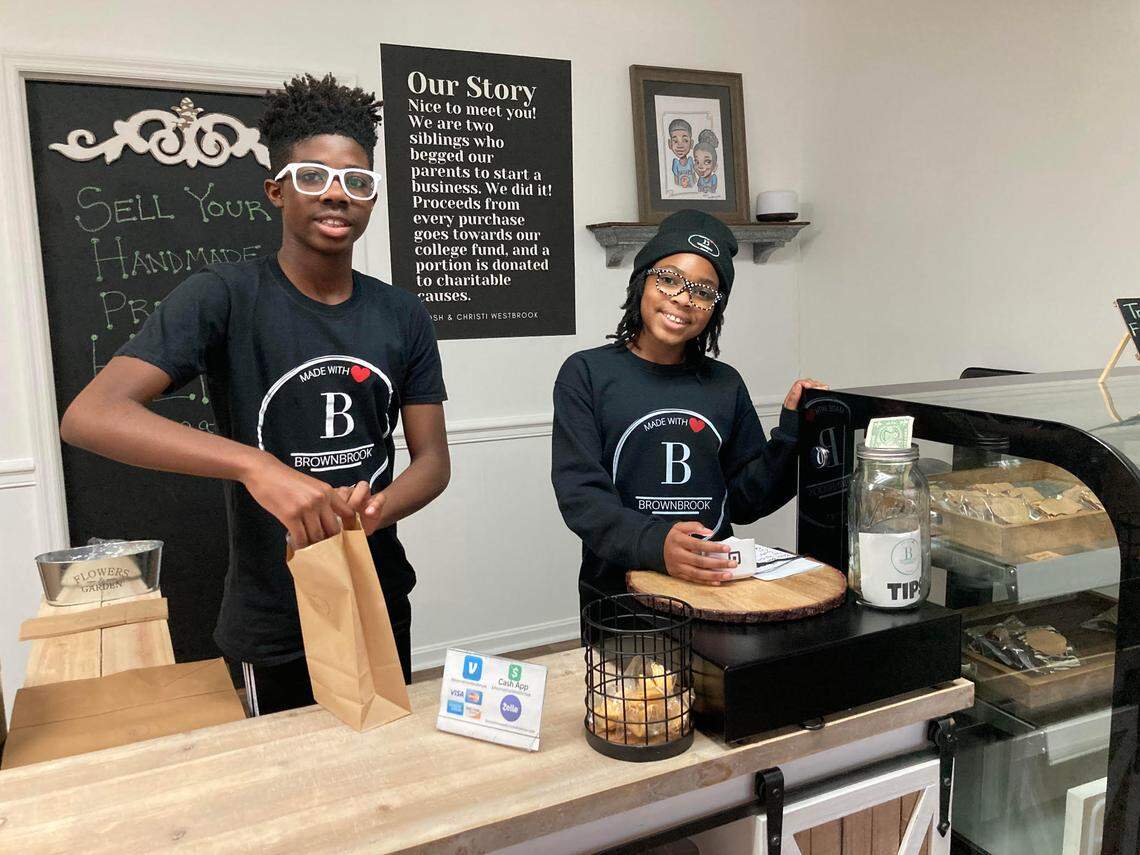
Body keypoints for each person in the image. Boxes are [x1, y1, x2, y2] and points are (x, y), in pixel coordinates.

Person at [60, 73, 450, 714]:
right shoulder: (224, 295)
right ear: (277, 191)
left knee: (384, 770)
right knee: (287, 791)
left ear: (373, 200)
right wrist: (255, 465)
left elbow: (432, 461)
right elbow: (91, 415)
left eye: (357, 182)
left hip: (376, 589)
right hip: (273, 607)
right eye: (313, 177)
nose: (337, 195)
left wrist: (372, 512)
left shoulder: (402, 314)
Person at [551, 210, 825, 611]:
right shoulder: (587, 373)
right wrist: (657, 544)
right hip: (617, 593)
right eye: (669, 279)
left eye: (703, 290)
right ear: (642, 279)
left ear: (716, 307)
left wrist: (791, 433)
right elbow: (581, 496)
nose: (683, 298)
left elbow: (747, 502)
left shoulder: (724, 383)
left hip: (717, 592)